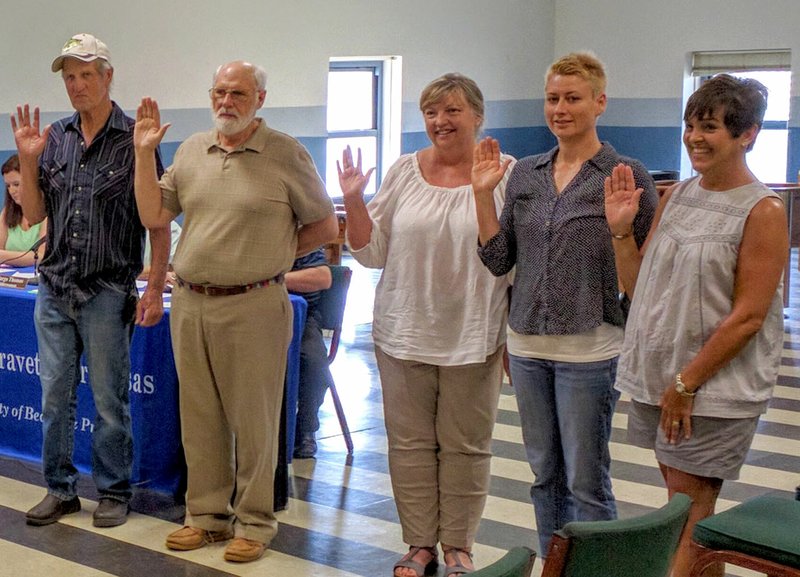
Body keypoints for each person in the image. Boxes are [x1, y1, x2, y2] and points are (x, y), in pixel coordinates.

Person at [133, 60, 337, 563]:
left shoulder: (285, 152)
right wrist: (143, 155)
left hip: (255, 304)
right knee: (199, 416)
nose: (227, 102)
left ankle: (254, 522)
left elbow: (325, 226)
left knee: (254, 421)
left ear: (260, 100)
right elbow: (153, 214)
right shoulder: (192, 150)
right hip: (190, 301)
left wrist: (268, 257)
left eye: (239, 94)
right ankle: (205, 517)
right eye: (220, 92)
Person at [471, 52, 658, 556]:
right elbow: (497, 259)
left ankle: (600, 569)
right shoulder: (527, 174)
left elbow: (643, 280)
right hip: (528, 345)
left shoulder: (625, 174)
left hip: (590, 351)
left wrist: (620, 228)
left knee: (585, 482)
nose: (560, 108)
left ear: (599, 102)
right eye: (553, 98)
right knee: (543, 476)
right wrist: (483, 196)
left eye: (572, 98)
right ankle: (557, 567)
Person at [605, 74, 787, 577]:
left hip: (709, 387)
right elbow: (640, 288)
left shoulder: (763, 209)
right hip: (662, 378)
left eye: (709, 127)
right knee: (687, 515)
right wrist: (621, 231)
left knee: (688, 516)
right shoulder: (678, 195)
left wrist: (687, 383)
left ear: (747, 133)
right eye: (690, 125)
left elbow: (749, 316)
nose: (694, 137)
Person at [338, 73, 513, 577]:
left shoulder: (507, 174)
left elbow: (512, 260)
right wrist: (352, 198)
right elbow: (371, 251)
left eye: (453, 111)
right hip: (404, 331)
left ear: (478, 116)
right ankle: (419, 544)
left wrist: (512, 339)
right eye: (432, 113)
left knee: (466, 445)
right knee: (410, 445)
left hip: (474, 333)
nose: (441, 122)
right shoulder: (403, 172)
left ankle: (458, 544)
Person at [11, 33, 170, 528]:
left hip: (106, 290)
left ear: (107, 77)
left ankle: (114, 491)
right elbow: (34, 213)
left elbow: (158, 221)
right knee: (54, 398)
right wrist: (30, 159)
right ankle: (59, 489)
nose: (77, 85)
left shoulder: (136, 137)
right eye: (69, 77)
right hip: (54, 288)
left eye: (86, 75)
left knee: (109, 399)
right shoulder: (54, 137)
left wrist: (154, 286)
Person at [285, 247, 334, 459]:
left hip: (302, 316)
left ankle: (306, 428)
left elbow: (322, 278)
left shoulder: (304, 237)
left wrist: (272, 279)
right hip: (250, 314)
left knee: (313, 361)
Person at [0, 154, 47, 267]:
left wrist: (3, 257)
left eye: (16, 184)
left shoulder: (49, 212)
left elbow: (41, 256)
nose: (12, 191)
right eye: (8, 186)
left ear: (32, 181)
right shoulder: (7, 212)